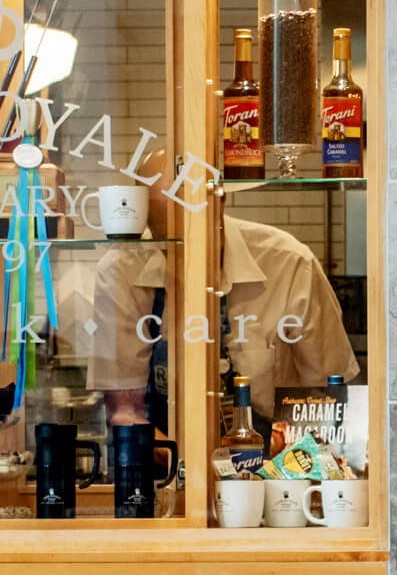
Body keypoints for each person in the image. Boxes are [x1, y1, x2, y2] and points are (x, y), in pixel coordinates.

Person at [89, 154, 358, 440]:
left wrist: (287, 460)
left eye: (195, 231)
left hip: (276, 459)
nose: (185, 252)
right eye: (168, 241)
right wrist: (179, 462)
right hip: (165, 459)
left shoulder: (290, 264)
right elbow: (125, 412)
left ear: (220, 200)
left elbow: (328, 397)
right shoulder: (121, 271)